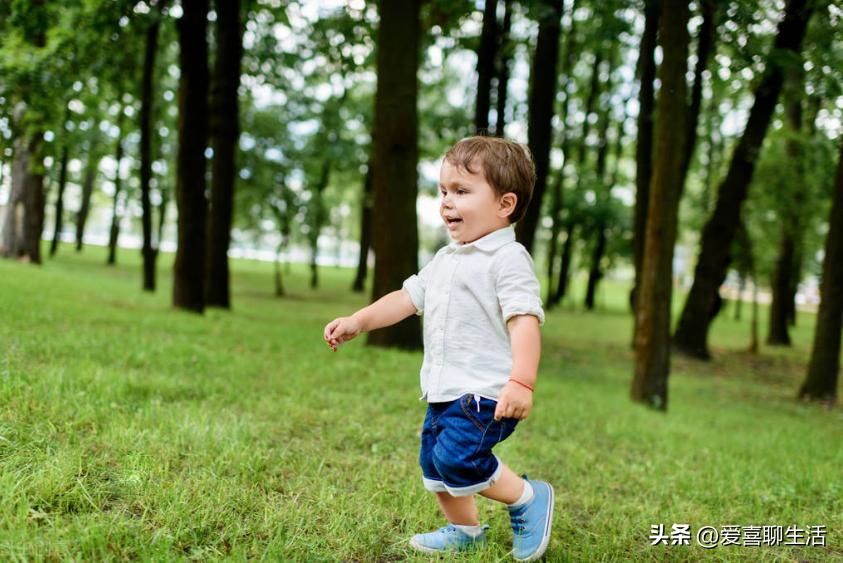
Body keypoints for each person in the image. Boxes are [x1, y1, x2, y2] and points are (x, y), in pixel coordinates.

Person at [323, 136, 553, 560]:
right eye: (443, 191)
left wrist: (521, 381)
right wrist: (359, 320)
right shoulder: (447, 258)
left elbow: (524, 321)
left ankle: (526, 497)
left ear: (505, 204)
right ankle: (465, 532)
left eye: (462, 191)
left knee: (458, 459)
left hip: (486, 392)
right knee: (434, 465)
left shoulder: (507, 259)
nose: (446, 202)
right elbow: (406, 298)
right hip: (443, 389)